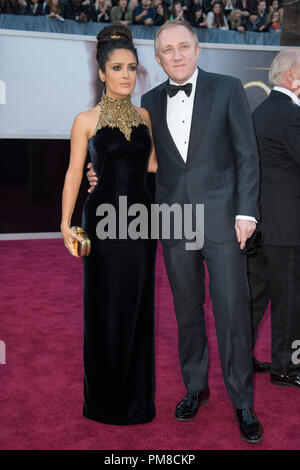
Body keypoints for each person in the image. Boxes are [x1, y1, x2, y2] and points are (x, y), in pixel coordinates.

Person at [87, 19, 263, 443]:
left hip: (223, 219)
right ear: (159, 58)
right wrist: (100, 176)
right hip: (174, 222)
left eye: (184, 47)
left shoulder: (227, 88)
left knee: (232, 313)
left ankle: (242, 401)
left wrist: (246, 213)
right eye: (168, 50)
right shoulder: (147, 102)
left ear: (198, 50)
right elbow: (140, 161)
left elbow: (246, 154)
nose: (177, 55)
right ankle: (194, 387)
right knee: (186, 313)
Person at [61, 24, 158, 425]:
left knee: (138, 310)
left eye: (132, 68)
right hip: (100, 225)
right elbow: (71, 174)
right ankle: (102, 403)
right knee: (102, 310)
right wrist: (65, 225)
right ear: (101, 73)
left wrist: (114, 168)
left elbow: (151, 165)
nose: (125, 75)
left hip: (140, 225)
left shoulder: (144, 115)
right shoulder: (86, 119)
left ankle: (136, 404)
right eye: (117, 68)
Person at [247, 49, 300, 388]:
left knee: (254, 297)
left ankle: (239, 357)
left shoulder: (260, 111)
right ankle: (287, 367)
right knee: (291, 300)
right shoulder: (291, 116)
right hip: (288, 227)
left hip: (259, 224)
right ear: (292, 76)